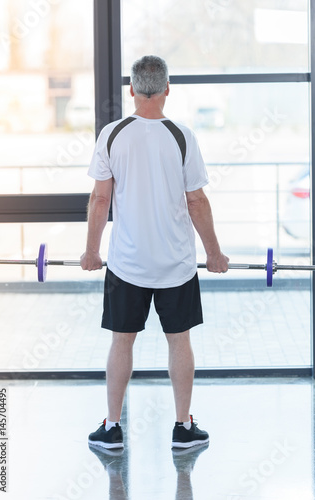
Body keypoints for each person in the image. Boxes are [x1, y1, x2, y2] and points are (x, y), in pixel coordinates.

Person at [80, 55, 229, 450]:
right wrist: (214, 254)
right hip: (176, 265)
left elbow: (99, 199)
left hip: (127, 264)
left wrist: (91, 251)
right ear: (166, 89)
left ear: (131, 90)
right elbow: (196, 201)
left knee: (121, 341)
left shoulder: (113, 133)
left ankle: (112, 429)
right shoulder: (182, 135)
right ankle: (183, 428)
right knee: (179, 341)